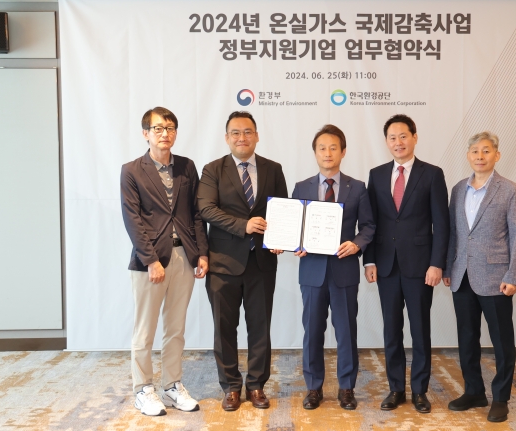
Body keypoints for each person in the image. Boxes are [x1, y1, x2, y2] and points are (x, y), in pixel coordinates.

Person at [120, 106, 209, 416]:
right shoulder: (132, 170)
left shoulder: (186, 167)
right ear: (146, 133)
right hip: (150, 261)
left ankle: (172, 386)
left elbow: (196, 213)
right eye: (158, 128)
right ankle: (142, 389)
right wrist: (151, 260)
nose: (164, 134)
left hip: (184, 256)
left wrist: (201, 252)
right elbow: (132, 219)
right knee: (144, 330)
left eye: (170, 128)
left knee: (175, 328)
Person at [197, 111, 288, 411]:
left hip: (262, 262)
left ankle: (256, 385)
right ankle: (231, 387)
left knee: (260, 327)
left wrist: (281, 238)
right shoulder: (213, 169)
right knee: (224, 329)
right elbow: (206, 209)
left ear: (257, 135)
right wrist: (243, 225)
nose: (242, 137)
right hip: (223, 263)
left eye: (248, 132)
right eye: (235, 132)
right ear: (227, 138)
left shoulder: (273, 169)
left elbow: (282, 210)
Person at [363, 114, 449, 413]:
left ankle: (420, 391)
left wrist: (437, 263)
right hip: (386, 265)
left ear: (414, 137)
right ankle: (396, 388)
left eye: (403, 136)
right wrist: (369, 260)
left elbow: (441, 223)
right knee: (391, 330)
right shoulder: (376, 175)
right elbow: (370, 222)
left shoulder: (432, 174)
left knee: (420, 329)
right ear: (386, 142)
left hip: (420, 266)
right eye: (392, 137)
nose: (398, 142)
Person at [443, 132, 516, 423]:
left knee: (502, 340)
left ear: (496, 155)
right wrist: (447, 267)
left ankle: (501, 398)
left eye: (486, 151)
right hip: (462, 275)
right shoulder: (458, 189)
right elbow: (454, 232)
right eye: (475, 151)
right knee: (467, 337)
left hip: (496, 277)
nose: (480, 156)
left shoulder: (510, 190)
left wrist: (513, 274)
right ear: (468, 155)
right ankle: (474, 392)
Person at [293, 125, 375, 411]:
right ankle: (313, 388)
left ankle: (346, 387)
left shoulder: (358, 187)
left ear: (343, 151)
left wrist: (357, 244)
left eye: (333, 148)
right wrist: (295, 244)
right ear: (315, 152)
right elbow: (295, 226)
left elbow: (368, 226)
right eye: (322, 148)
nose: (327, 153)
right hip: (312, 271)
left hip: (344, 271)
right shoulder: (301, 187)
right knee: (312, 332)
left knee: (346, 332)